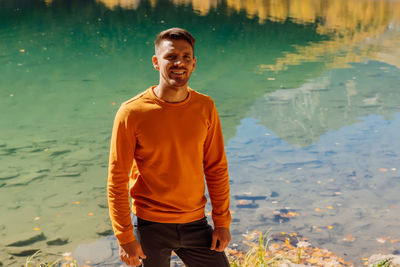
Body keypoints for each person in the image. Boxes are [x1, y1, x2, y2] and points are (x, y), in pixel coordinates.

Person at [107, 27, 231, 267]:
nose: (179, 63)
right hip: (150, 225)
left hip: (196, 223)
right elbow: (117, 180)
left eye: (186, 57)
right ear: (156, 62)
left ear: (194, 63)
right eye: (171, 56)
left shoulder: (205, 107)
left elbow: (216, 168)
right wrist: (125, 238)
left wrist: (222, 223)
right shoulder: (131, 112)